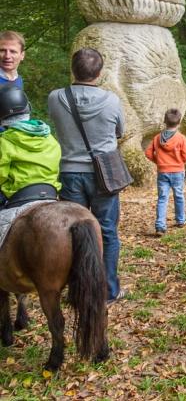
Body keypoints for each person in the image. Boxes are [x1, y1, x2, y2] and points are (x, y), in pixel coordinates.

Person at [48, 48, 127, 303]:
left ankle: (79, 290)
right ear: (100, 73)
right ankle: (108, 290)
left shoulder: (55, 97)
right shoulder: (112, 100)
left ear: (73, 69)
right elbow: (120, 131)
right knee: (106, 231)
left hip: (69, 172)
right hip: (105, 174)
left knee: (76, 232)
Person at [0, 85, 61, 206]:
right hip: (50, 195)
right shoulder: (50, 139)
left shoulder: (4, 141)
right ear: (29, 108)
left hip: (18, 198)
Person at [144, 108, 186, 235]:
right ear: (179, 122)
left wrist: (158, 161)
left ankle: (160, 225)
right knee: (179, 195)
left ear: (165, 121)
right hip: (177, 171)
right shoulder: (181, 138)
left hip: (162, 171)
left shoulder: (157, 138)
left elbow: (148, 153)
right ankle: (180, 220)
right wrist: (179, 161)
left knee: (162, 198)